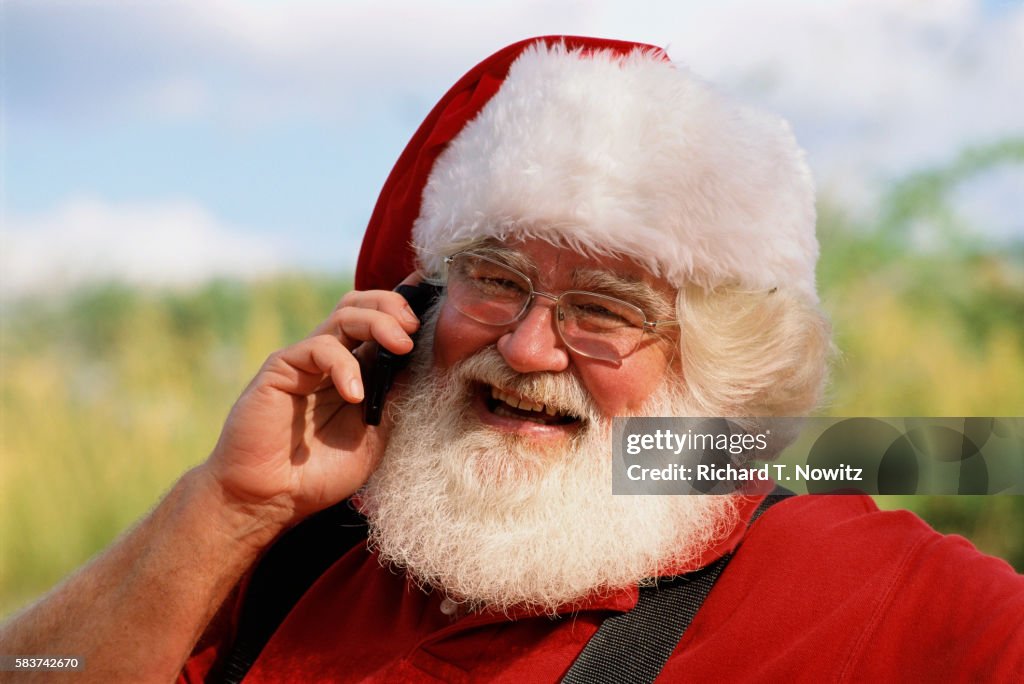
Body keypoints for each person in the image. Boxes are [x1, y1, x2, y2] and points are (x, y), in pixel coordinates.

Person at [2, 36, 1022, 683]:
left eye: (605, 311)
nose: (528, 347)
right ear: (412, 304)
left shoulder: (879, 591)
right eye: (492, 278)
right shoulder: (295, 554)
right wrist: (230, 505)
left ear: (722, 366)